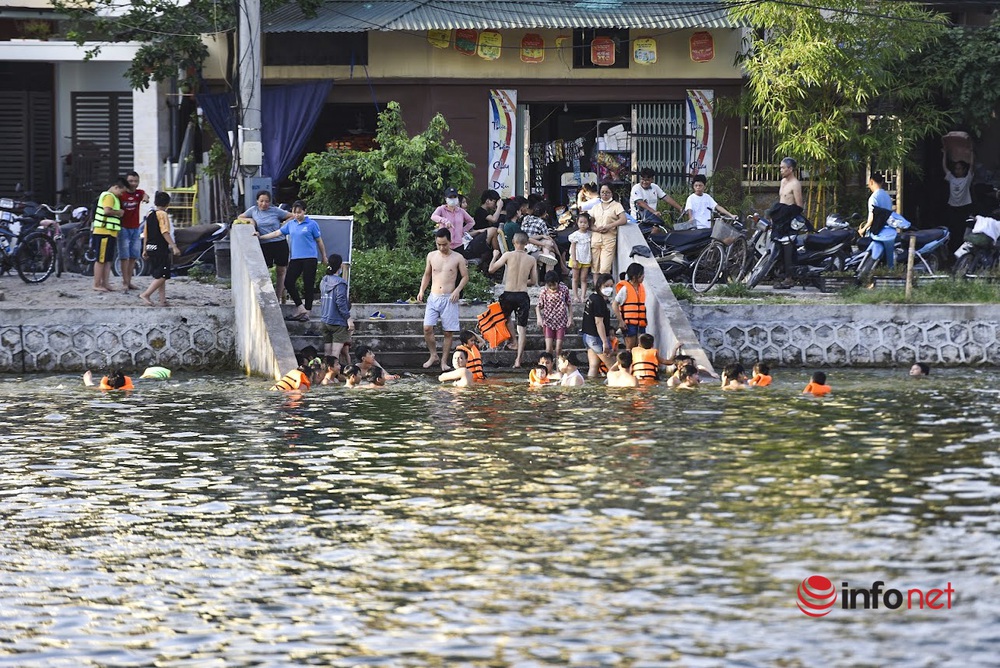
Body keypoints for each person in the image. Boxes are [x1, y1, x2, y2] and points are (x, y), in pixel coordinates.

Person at [256, 200, 326, 321]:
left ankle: (307, 312)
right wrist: (261, 237)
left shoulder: (312, 224)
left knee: (308, 284)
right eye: (294, 212)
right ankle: (300, 307)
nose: (297, 215)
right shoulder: (291, 224)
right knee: (288, 282)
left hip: (310, 258)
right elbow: (277, 232)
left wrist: (324, 256)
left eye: (299, 212)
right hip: (295, 258)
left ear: (305, 211)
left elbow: (319, 241)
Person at [417, 228, 470, 371]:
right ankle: (433, 355)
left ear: (450, 242)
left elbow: (465, 276)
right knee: (427, 327)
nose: (442, 247)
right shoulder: (431, 256)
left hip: (449, 298)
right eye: (439, 244)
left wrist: (457, 290)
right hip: (434, 296)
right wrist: (422, 290)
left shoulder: (458, 257)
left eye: (444, 244)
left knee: (448, 331)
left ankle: (444, 362)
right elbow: (427, 274)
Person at [488, 231, 538, 369]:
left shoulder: (508, 255)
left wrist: (494, 256)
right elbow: (534, 281)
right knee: (522, 328)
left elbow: (491, 269)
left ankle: (513, 340)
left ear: (514, 243)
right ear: (526, 243)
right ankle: (518, 360)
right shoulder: (531, 259)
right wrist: (522, 281)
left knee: (505, 318)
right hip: (522, 295)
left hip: (508, 294)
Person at [238, 190, 294, 302]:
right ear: (257, 201)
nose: (264, 204)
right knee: (264, 270)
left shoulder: (275, 211)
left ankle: (279, 296)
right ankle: (266, 295)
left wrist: (283, 225)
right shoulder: (253, 210)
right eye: (262, 201)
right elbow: (240, 217)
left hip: (279, 242)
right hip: (264, 244)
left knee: (281, 270)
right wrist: (251, 220)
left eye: (267, 201)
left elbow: (292, 216)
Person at [139, 191, 181, 307]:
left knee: (159, 274)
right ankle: (146, 294)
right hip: (160, 248)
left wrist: (144, 249)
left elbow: (145, 233)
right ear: (168, 204)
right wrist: (174, 246)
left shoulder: (150, 214)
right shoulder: (162, 214)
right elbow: (165, 232)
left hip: (150, 247)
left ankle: (163, 300)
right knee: (164, 274)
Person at [771, 157, 806, 289]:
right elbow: (781, 199)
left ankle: (789, 277)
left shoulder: (795, 184)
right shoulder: (783, 181)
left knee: (787, 248)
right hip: (779, 217)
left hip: (788, 219)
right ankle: (778, 274)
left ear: (790, 169)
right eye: (780, 167)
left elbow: (799, 204)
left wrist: (791, 216)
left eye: (783, 168)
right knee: (776, 245)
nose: (781, 170)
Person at [319, 253, 354, 384]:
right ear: (340, 266)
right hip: (338, 323)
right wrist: (348, 319)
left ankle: (324, 378)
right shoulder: (340, 283)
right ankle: (331, 379)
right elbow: (341, 303)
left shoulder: (324, 280)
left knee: (327, 353)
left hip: (325, 320)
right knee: (335, 354)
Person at [91, 177, 127, 293]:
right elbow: (107, 211)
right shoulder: (109, 196)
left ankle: (105, 283)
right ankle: (97, 284)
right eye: (121, 192)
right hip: (103, 232)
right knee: (101, 259)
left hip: (110, 232)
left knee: (108, 260)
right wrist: (119, 213)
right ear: (116, 187)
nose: (121, 194)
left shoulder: (114, 197)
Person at [858, 173, 897, 279]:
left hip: (877, 232)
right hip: (888, 232)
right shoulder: (887, 197)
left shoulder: (873, 198)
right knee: (887, 259)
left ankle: (868, 279)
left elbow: (872, 218)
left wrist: (863, 229)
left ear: (871, 182)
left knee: (872, 257)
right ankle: (888, 276)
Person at [590, 183, 627, 287]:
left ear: (611, 193)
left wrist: (610, 226)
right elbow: (591, 223)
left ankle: (604, 291)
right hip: (596, 239)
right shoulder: (596, 207)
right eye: (602, 192)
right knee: (595, 268)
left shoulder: (616, 205)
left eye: (607, 192)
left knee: (605, 268)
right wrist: (596, 229)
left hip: (609, 239)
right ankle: (597, 290)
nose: (605, 194)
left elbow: (623, 219)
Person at [118, 170, 149, 291]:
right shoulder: (121, 194)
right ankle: (124, 282)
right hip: (123, 228)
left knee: (133, 256)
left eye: (136, 181)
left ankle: (129, 281)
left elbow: (145, 195)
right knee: (124, 256)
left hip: (135, 228)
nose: (133, 183)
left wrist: (146, 198)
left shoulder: (139, 193)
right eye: (131, 181)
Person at [581, 273, 615, 377]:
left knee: (594, 366)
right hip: (595, 338)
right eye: (606, 286)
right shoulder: (599, 301)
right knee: (613, 366)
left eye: (611, 286)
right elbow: (598, 322)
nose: (609, 289)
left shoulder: (592, 297)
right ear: (599, 285)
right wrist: (605, 342)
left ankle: (591, 388)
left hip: (587, 336)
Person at [630, 167, 683, 234]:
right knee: (655, 230)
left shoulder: (655, 187)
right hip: (638, 221)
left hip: (651, 220)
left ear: (652, 179)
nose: (644, 182)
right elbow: (640, 203)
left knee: (665, 231)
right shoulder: (636, 188)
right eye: (642, 179)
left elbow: (666, 198)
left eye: (647, 180)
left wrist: (680, 208)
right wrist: (654, 212)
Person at [943, 144, 974, 254]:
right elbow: (945, 167)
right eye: (956, 169)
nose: (957, 171)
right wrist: (945, 153)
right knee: (953, 229)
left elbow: (971, 166)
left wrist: (971, 152)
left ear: (963, 169)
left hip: (964, 207)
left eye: (960, 169)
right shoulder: (951, 178)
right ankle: (952, 251)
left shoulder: (967, 179)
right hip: (952, 207)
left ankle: (962, 252)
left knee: (962, 230)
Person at [536, 270, 572, 360]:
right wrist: (539, 318)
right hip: (548, 322)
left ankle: (558, 367)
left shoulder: (564, 289)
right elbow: (538, 306)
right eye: (550, 285)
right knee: (548, 348)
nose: (552, 287)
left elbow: (569, 303)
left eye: (554, 285)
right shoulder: (544, 291)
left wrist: (570, 318)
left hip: (561, 321)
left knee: (558, 348)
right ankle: (549, 366)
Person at [611, 262, 647, 351]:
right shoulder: (625, 289)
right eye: (641, 275)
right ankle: (628, 363)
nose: (643, 276)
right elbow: (614, 304)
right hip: (629, 323)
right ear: (634, 277)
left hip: (640, 323)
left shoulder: (640, 288)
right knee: (630, 346)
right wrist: (621, 321)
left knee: (640, 347)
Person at [520, 201, 561, 268]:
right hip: (533, 248)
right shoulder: (541, 222)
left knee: (552, 254)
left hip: (524, 245)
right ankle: (550, 275)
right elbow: (546, 237)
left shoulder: (526, 218)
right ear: (544, 212)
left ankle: (549, 256)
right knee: (552, 252)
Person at [568, 213, 593, 303]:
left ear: (588, 223)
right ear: (577, 223)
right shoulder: (575, 235)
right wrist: (574, 260)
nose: (583, 224)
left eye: (585, 222)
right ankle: (575, 296)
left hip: (586, 259)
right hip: (576, 259)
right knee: (575, 278)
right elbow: (573, 248)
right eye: (581, 222)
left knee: (584, 278)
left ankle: (583, 296)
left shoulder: (590, 234)